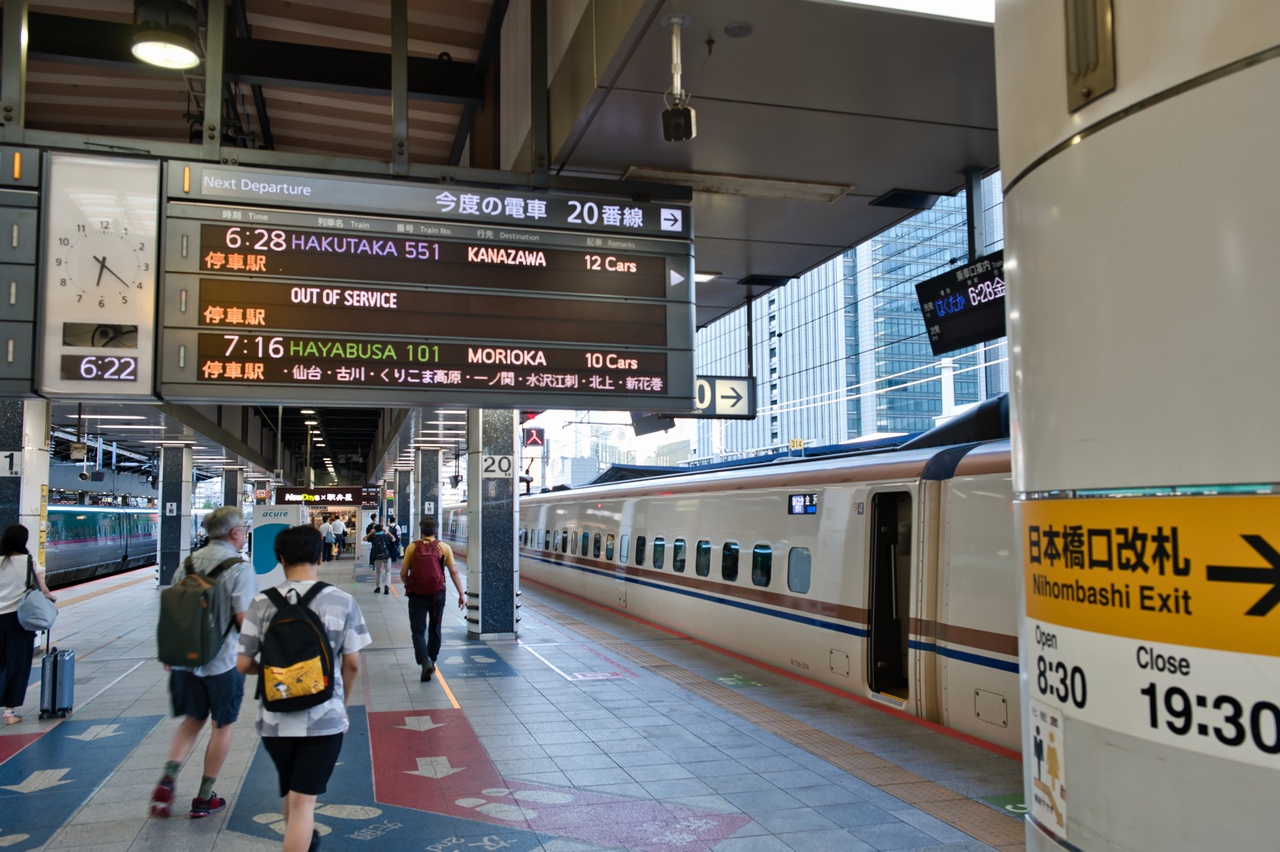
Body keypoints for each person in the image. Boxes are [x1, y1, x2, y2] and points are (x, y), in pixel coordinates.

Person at [237, 525, 370, 852]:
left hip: (274, 721)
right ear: (320, 557)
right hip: (324, 719)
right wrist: (342, 704)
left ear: (280, 559)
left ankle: (299, 839)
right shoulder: (342, 601)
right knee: (302, 805)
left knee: (292, 796)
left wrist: (273, 672)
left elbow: (242, 664)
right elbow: (352, 664)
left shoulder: (261, 603)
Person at [150, 505, 257, 819]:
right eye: (244, 528)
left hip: (185, 662)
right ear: (235, 532)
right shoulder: (239, 568)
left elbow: (174, 612)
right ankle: (204, 797)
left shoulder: (187, 564)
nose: (246, 533)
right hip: (223, 662)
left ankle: (168, 780)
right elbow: (243, 621)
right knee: (221, 727)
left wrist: (172, 653)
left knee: (191, 720)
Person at [0, 524, 55, 725]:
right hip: (18, 621)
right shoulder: (28, 562)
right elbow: (43, 590)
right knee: (17, 664)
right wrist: (50, 597)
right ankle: (9, 712)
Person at [400, 517, 464, 682]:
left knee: (418, 630)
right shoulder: (444, 547)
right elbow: (454, 572)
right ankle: (432, 660)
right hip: (437, 595)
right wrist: (461, 594)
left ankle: (424, 661)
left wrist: (410, 586)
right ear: (436, 531)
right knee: (435, 627)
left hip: (417, 595)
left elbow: (403, 574)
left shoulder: (412, 547)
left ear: (421, 530)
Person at [365, 523, 392, 595]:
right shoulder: (385, 536)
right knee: (387, 572)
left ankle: (378, 587)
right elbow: (393, 539)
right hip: (386, 556)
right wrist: (387, 532)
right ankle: (386, 586)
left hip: (377, 556)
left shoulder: (373, 537)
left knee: (378, 572)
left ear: (375, 530)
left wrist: (370, 533)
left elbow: (364, 539)